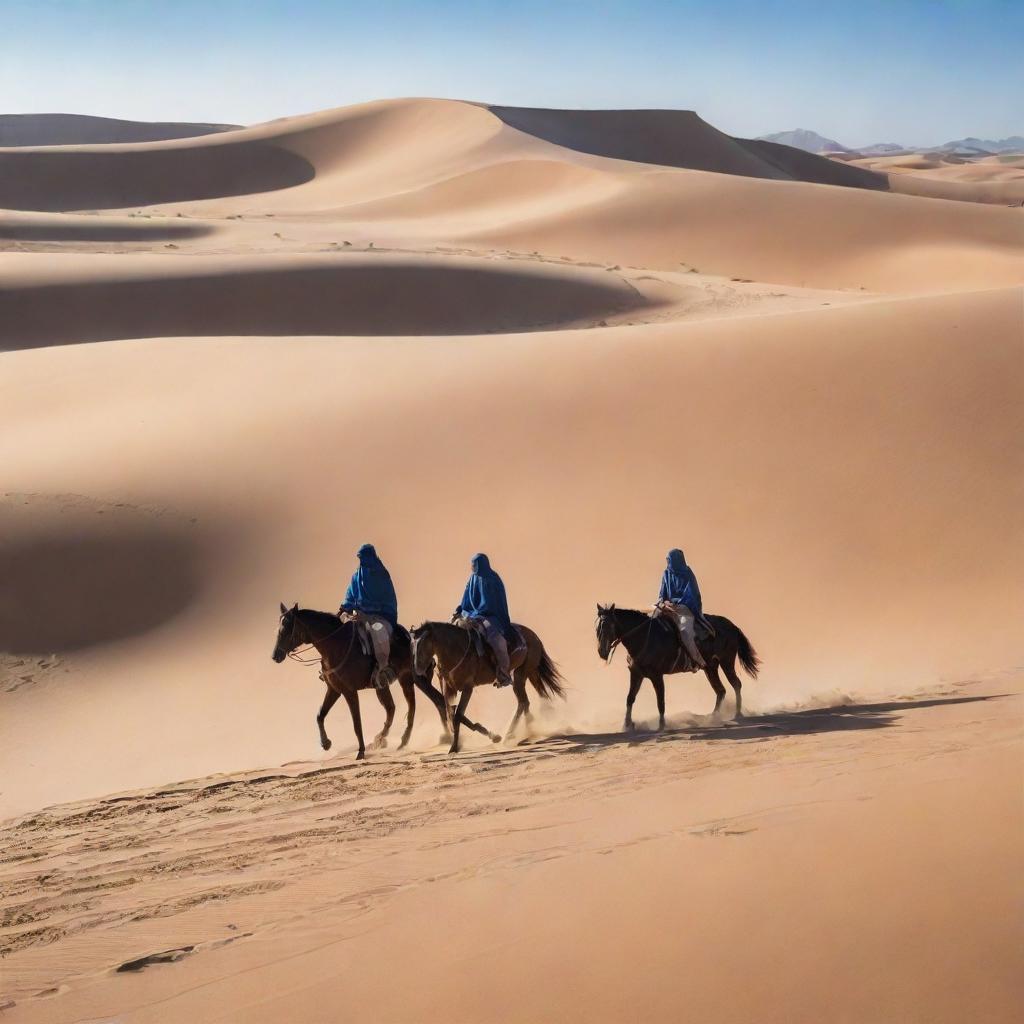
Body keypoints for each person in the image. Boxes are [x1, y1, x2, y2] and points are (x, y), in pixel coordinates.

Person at [339, 543, 398, 688]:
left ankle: (383, 668)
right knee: (341, 628)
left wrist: (366, 613)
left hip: (380, 616)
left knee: (378, 631)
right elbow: (350, 597)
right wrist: (344, 608)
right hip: (358, 615)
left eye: (364, 558)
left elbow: (386, 601)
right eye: (360, 558)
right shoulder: (356, 577)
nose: (362, 561)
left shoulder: (382, 576)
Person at [453, 553, 513, 686]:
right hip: (471, 614)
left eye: (474, 565)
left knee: (496, 640)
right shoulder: (472, 578)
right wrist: (460, 609)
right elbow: (466, 598)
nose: (472, 567)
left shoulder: (492, 579)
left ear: (481, 564)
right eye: (472, 565)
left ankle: (504, 674)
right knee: (452, 627)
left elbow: (494, 602)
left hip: (490, 616)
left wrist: (479, 613)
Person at [655, 548, 706, 670]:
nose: (668, 563)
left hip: (684, 608)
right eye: (667, 560)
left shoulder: (687, 573)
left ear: (676, 560)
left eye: (669, 560)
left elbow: (691, 595)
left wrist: (675, 602)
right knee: (653, 620)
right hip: (667, 607)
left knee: (684, 631)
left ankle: (697, 661)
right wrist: (663, 602)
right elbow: (661, 594)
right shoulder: (666, 573)